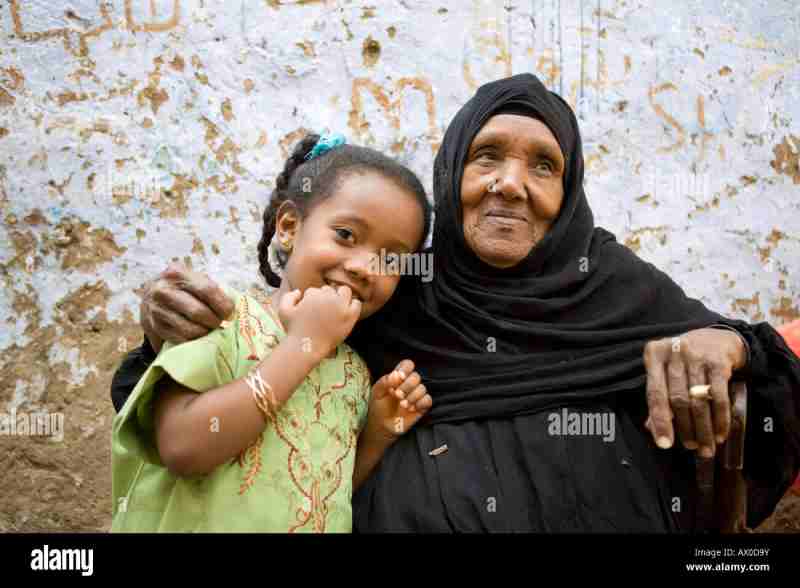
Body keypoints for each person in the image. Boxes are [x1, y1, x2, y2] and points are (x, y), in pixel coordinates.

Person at [111, 75, 800, 533]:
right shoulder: (398, 286)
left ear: (570, 194)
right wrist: (171, 323)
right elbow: (232, 369)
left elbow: (761, 370)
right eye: (487, 157)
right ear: (453, 173)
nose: (509, 184)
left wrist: (728, 343)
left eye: (543, 166)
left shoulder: (611, 284)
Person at [111, 133, 434, 532]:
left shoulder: (354, 375)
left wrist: (377, 435)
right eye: (346, 235)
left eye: (390, 259)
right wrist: (304, 345)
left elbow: (325, 494)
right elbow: (183, 448)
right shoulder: (219, 320)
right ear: (289, 226)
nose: (364, 267)